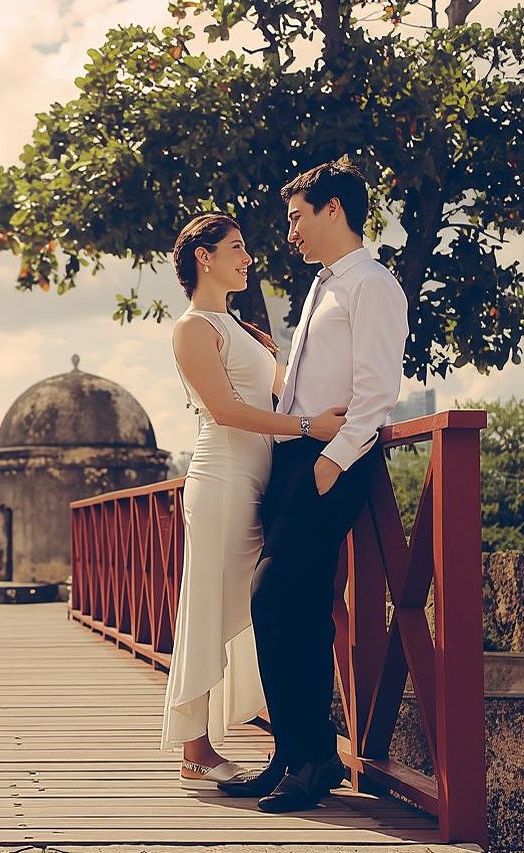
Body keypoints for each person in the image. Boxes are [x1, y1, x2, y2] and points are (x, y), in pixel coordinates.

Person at [218, 159, 409, 812]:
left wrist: (332, 462)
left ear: (334, 210)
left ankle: (313, 754)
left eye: (297, 217)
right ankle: (295, 754)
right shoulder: (324, 286)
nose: (290, 233)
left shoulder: (372, 285)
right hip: (297, 458)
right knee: (289, 609)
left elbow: (378, 391)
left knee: (273, 598)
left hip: (331, 461)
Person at [163, 212, 346, 790]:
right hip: (220, 477)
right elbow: (224, 411)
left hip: (259, 478)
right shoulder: (194, 327)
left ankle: (280, 738)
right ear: (204, 257)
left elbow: (282, 386)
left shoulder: (236, 326)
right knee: (209, 601)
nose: (247, 258)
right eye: (236, 248)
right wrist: (306, 428)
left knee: (256, 602)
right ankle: (195, 746)